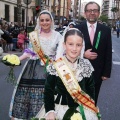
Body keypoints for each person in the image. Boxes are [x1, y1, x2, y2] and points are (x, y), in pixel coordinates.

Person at [36, 28, 101, 120]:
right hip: (59, 108)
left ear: (82, 46)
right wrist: (50, 111)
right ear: (64, 45)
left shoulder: (86, 65)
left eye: (78, 45)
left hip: (82, 109)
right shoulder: (56, 66)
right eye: (70, 44)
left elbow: (91, 89)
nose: (74, 49)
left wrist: (91, 107)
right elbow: (48, 91)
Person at [9, 10, 62, 120]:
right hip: (33, 68)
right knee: (30, 94)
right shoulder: (34, 35)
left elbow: (60, 54)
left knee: (49, 92)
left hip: (51, 68)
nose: (44, 22)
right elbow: (29, 51)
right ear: (39, 21)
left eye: (47, 20)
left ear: (51, 21)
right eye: (42, 20)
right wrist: (17, 59)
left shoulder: (58, 36)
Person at [76, 1, 112, 105]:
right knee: (78, 100)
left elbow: (108, 52)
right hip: (78, 71)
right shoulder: (77, 29)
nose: (92, 13)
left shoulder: (105, 30)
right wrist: (83, 54)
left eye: (95, 10)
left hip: (98, 72)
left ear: (99, 13)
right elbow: (69, 49)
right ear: (85, 13)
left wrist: (106, 73)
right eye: (89, 10)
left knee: (92, 101)